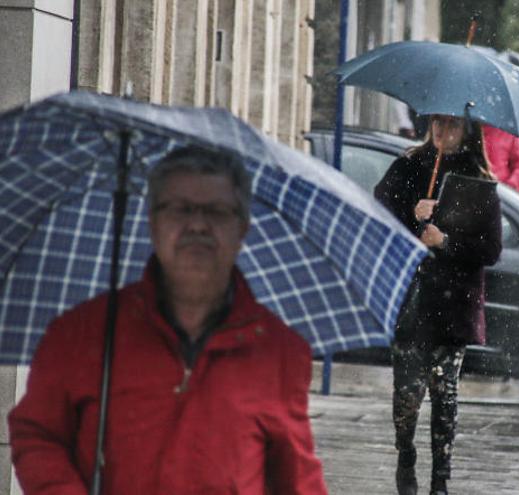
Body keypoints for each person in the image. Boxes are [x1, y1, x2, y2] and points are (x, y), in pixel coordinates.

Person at [8, 146, 328, 494]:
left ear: (242, 229)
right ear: (153, 223)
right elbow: (38, 433)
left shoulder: (279, 351)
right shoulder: (82, 333)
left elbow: (297, 477)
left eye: (217, 212)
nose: (197, 224)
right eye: (180, 209)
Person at [374, 115, 502, 495]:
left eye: (452, 126)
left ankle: (440, 478)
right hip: (411, 301)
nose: (442, 133)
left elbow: (491, 250)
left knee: (445, 396)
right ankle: (405, 455)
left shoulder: (478, 180)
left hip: (453, 305)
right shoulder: (408, 166)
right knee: (407, 396)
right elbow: (380, 215)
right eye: (437, 124)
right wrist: (412, 216)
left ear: (467, 131)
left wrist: (445, 242)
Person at [482, 123, 519, 192]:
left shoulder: (513, 132)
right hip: (473, 187)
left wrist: (506, 189)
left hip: (499, 191)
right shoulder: (470, 125)